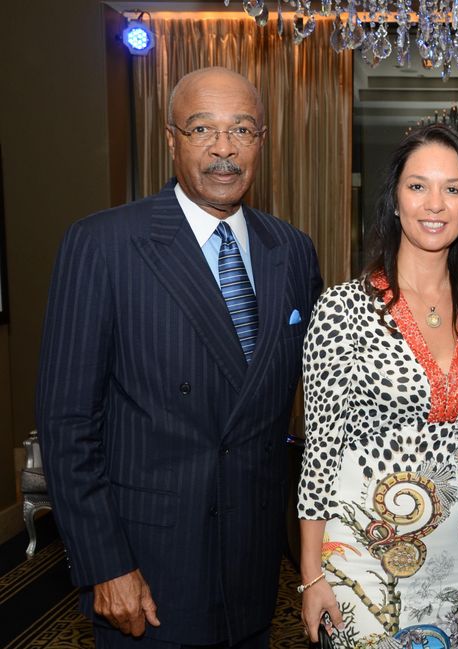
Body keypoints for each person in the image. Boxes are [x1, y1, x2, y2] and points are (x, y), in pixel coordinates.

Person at [36, 67, 323, 647]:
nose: (224, 148)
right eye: (202, 129)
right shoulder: (104, 244)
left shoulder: (290, 250)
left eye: (242, 129)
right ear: (171, 139)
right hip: (148, 568)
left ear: (262, 141)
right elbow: (68, 425)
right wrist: (104, 564)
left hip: (253, 566)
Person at [297, 123, 458, 648]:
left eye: (452, 188)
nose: (435, 203)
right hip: (361, 555)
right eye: (418, 186)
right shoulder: (343, 309)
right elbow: (319, 453)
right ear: (394, 200)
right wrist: (312, 575)